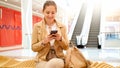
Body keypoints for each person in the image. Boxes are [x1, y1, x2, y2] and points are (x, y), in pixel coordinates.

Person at [31, 0, 69, 68]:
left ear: (56, 12)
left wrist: (60, 39)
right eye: (47, 12)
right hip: (42, 59)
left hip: (58, 58)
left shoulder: (62, 27)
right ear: (43, 11)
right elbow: (33, 48)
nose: (50, 15)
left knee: (54, 63)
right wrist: (44, 42)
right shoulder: (37, 26)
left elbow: (66, 47)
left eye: (53, 13)